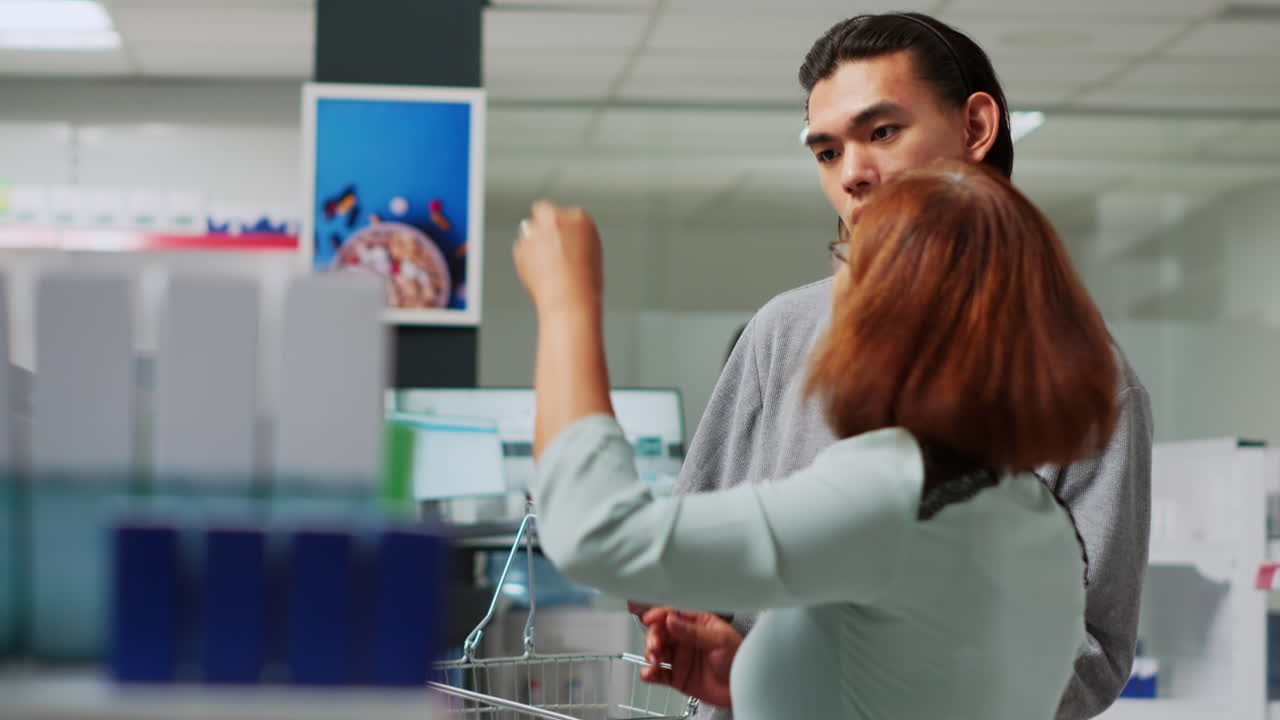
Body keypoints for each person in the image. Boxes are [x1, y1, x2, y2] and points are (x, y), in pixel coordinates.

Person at [632, 13, 1153, 720]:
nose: (853, 175)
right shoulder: (782, 333)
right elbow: (695, 574)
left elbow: (1092, 651)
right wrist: (747, 663)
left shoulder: (1081, 379)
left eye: (882, 132)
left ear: (975, 128)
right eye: (825, 152)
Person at [513, 161, 1117, 719]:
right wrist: (752, 674)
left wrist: (568, 303)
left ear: (892, 312)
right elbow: (922, 686)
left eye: (848, 259)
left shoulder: (895, 492)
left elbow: (596, 534)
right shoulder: (1033, 517)